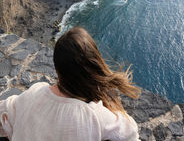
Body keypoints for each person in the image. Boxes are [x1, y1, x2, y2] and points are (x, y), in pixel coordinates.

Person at [0, 27, 141, 140]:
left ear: (57, 68)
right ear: (94, 66)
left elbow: (4, 112)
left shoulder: (34, 93)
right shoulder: (94, 116)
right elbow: (131, 132)